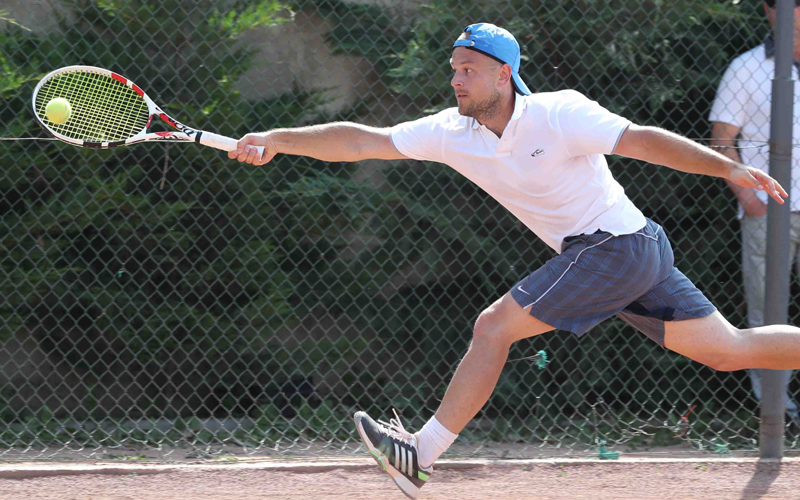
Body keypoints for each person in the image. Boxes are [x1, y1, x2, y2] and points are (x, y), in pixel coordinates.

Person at [231, 23, 796, 500]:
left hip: (618, 245)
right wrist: (278, 139)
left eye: (469, 69)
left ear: (504, 73)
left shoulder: (558, 114)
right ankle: (419, 456)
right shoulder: (452, 133)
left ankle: (419, 456)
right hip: (622, 253)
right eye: (453, 68)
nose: (455, 79)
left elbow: (643, 139)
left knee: (493, 326)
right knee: (730, 351)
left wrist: (726, 167)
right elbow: (361, 141)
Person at [710, 0, 800, 424]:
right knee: (767, 312)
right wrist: (750, 200)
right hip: (769, 209)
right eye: (787, 2)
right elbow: (722, 142)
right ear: (768, 10)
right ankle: (776, 413)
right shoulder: (745, 68)